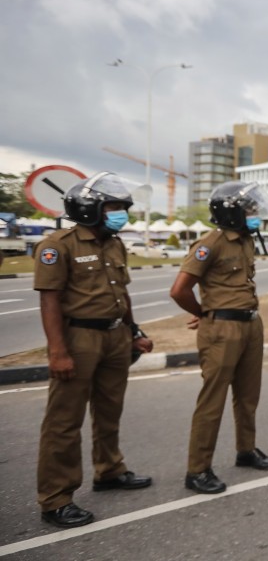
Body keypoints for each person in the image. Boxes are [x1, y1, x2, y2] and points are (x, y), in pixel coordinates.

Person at [33, 172, 154, 528]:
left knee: (109, 410)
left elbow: (122, 293)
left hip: (115, 337)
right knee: (63, 422)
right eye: (113, 206)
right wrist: (57, 351)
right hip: (79, 340)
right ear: (89, 208)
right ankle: (56, 498)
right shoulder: (59, 245)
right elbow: (50, 301)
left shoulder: (114, 243)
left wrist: (134, 332)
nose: (120, 213)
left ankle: (110, 470)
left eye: (121, 207)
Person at [170, 181, 268, 495]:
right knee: (212, 400)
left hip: (250, 325)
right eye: (250, 209)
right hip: (222, 330)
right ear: (231, 212)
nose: (255, 214)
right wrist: (205, 313)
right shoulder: (211, 243)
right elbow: (179, 290)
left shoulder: (246, 240)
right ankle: (198, 469)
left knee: (248, 396)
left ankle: (246, 449)